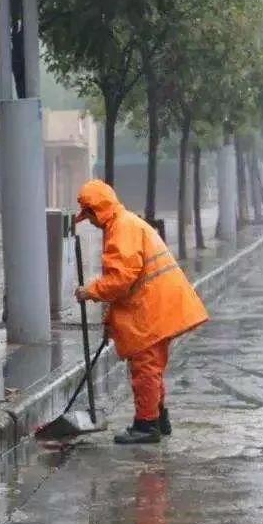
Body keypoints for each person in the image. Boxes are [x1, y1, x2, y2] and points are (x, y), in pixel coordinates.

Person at [74, 179, 208, 444]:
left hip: (153, 309)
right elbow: (129, 281)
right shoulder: (125, 223)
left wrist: (90, 291)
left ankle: (146, 426)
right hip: (159, 305)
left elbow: (122, 278)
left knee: (145, 367)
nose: (89, 222)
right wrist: (111, 317)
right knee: (153, 366)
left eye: (88, 215)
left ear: (97, 210)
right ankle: (158, 418)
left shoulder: (121, 229)